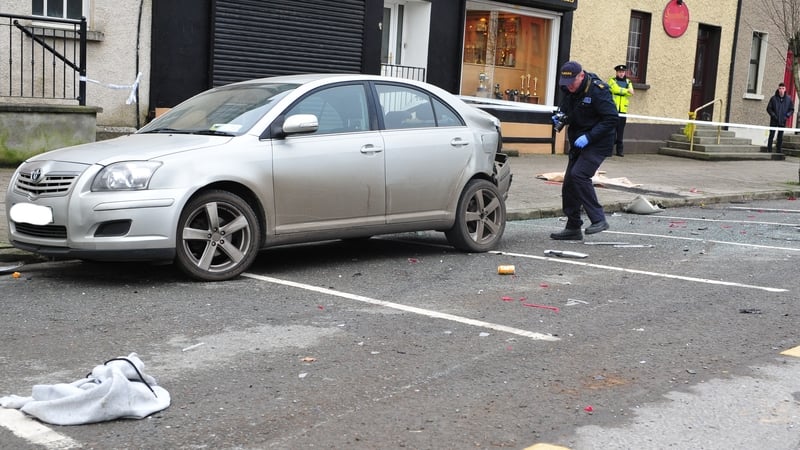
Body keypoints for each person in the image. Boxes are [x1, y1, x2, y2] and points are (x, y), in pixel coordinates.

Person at [550, 61, 619, 240]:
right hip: (579, 142)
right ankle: (573, 227)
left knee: (580, 175)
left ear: (581, 75)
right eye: (566, 84)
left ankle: (599, 219)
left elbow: (611, 118)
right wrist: (560, 118)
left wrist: (589, 137)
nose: (569, 87)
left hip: (598, 142)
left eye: (572, 82)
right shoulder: (569, 89)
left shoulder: (598, 90)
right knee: (569, 184)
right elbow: (567, 108)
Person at [608, 64, 633, 157]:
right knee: (612, 131)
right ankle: (609, 150)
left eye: (623, 72)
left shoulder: (628, 81)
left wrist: (625, 91)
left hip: (623, 110)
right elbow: (615, 89)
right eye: (619, 72)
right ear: (616, 72)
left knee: (620, 131)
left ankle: (619, 151)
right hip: (613, 109)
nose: (621, 74)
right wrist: (626, 91)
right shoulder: (612, 80)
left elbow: (632, 93)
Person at [766, 82, 794, 153]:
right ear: (778, 89)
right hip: (774, 120)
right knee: (771, 134)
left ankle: (778, 150)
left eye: (783, 88)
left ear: (785, 89)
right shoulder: (773, 98)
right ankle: (769, 149)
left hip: (783, 120)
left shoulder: (788, 99)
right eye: (780, 88)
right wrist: (773, 115)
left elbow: (791, 109)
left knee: (780, 136)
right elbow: (769, 109)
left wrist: (787, 116)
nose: (781, 90)